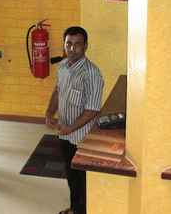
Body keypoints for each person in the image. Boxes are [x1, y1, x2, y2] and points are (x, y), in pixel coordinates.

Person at [45, 26, 104, 214]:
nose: (72, 48)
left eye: (77, 44)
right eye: (68, 44)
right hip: (65, 134)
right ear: (64, 45)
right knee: (71, 176)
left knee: (82, 180)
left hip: (82, 138)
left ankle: (82, 210)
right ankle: (75, 208)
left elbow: (93, 109)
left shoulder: (92, 73)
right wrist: (49, 113)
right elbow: (57, 91)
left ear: (85, 46)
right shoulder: (62, 66)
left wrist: (71, 128)